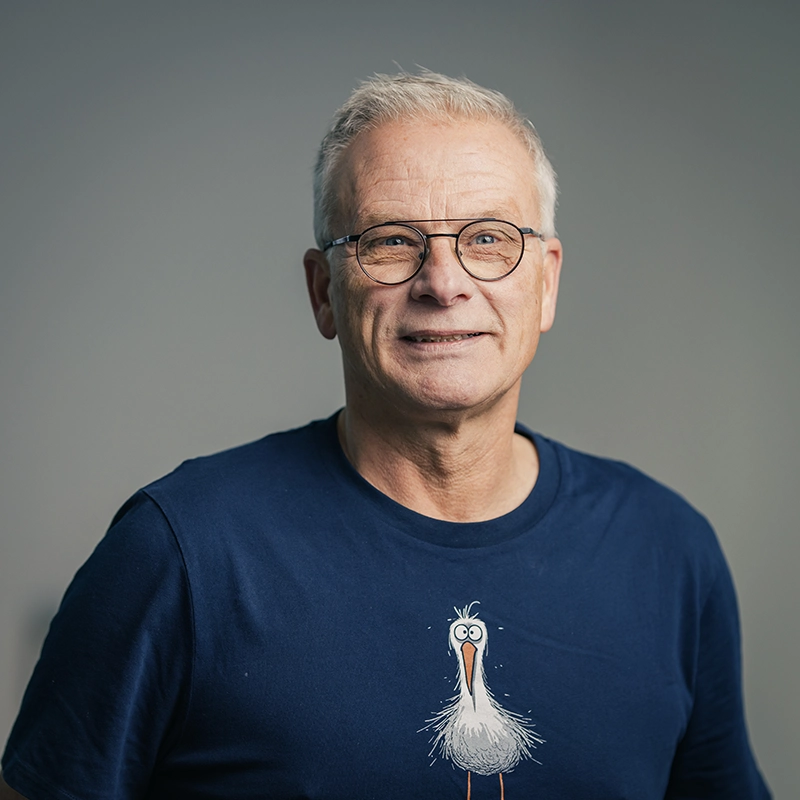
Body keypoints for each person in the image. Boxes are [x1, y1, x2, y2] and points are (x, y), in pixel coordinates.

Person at [0, 71, 770, 800]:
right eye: (392, 242)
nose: (444, 282)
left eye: (490, 239)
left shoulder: (668, 551)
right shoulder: (180, 553)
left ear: (547, 282)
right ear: (322, 292)